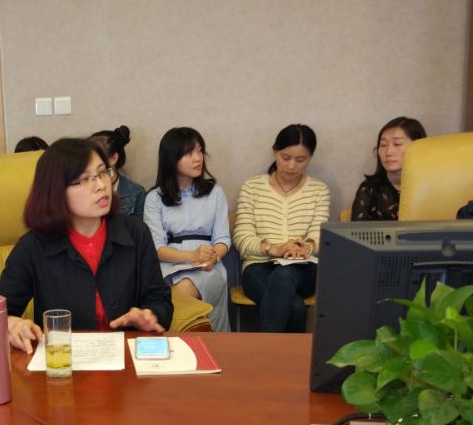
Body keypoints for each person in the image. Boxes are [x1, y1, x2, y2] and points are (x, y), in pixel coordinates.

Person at [0, 138, 173, 353]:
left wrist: (150, 315)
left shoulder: (135, 233)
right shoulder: (33, 246)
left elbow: (159, 299)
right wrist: (11, 323)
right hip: (63, 361)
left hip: (127, 360)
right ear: (56, 190)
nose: (101, 185)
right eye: (85, 179)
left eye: (102, 173)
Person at [233, 124, 330, 333]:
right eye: (285, 158)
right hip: (259, 266)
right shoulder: (252, 187)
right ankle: (290, 355)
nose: (291, 166)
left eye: (300, 160)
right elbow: (242, 238)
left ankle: (266, 351)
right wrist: (275, 249)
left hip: (303, 268)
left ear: (310, 158)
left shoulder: (319, 190)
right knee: (295, 307)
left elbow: (319, 236)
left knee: (285, 274)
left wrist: (305, 248)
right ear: (275, 152)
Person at [145, 127, 231, 332]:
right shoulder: (154, 198)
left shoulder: (215, 193)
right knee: (162, 292)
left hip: (208, 266)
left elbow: (223, 239)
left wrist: (212, 257)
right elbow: (157, 249)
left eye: (200, 151)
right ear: (171, 158)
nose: (198, 158)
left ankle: (168, 338)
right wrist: (192, 255)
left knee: (180, 293)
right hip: (168, 265)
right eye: (189, 153)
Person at [351, 116, 427, 221]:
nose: (388, 152)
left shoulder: (432, 188)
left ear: (418, 147)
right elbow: (356, 230)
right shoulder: (369, 189)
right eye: (383, 145)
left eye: (397, 144)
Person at [90, 125, 147, 218]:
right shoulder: (83, 189)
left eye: (96, 157)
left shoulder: (137, 193)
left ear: (113, 158)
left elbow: (139, 226)